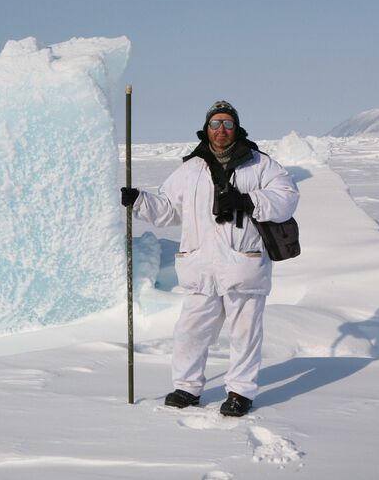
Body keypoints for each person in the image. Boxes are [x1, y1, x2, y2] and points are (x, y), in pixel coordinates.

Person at [121, 100, 299, 417]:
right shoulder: (190, 169)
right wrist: (139, 201)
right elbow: (167, 210)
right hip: (200, 267)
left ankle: (240, 392)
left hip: (243, 265)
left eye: (227, 124)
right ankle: (187, 388)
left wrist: (247, 200)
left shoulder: (260, 165)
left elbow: (287, 198)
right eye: (215, 123)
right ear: (206, 128)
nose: (221, 130)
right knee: (190, 331)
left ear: (237, 128)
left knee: (244, 334)